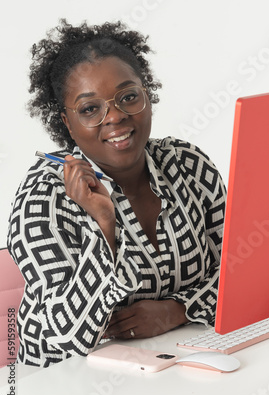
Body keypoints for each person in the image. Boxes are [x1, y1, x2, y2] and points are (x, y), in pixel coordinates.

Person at [7, 19, 226, 367]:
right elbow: (61, 339)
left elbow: (241, 272)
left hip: (177, 362)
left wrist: (179, 310)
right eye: (90, 109)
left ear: (147, 95)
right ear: (66, 122)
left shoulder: (187, 165)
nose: (115, 117)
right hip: (64, 384)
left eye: (128, 97)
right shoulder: (44, 199)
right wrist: (105, 227)